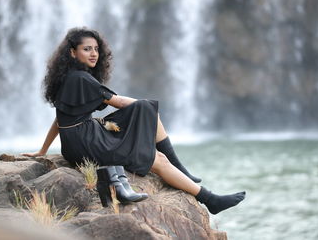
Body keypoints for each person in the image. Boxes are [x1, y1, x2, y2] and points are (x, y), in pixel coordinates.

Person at [22, 27, 245, 215]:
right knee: (155, 150)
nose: (93, 54)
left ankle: (201, 190)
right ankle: (207, 197)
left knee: (148, 120)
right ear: (72, 52)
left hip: (76, 143)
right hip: (87, 142)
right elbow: (117, 102)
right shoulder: (81, 79)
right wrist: (144, 106)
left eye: (96, 49)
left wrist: (43, 150)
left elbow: (60, 119)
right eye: (86, 49)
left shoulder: (68, 78)